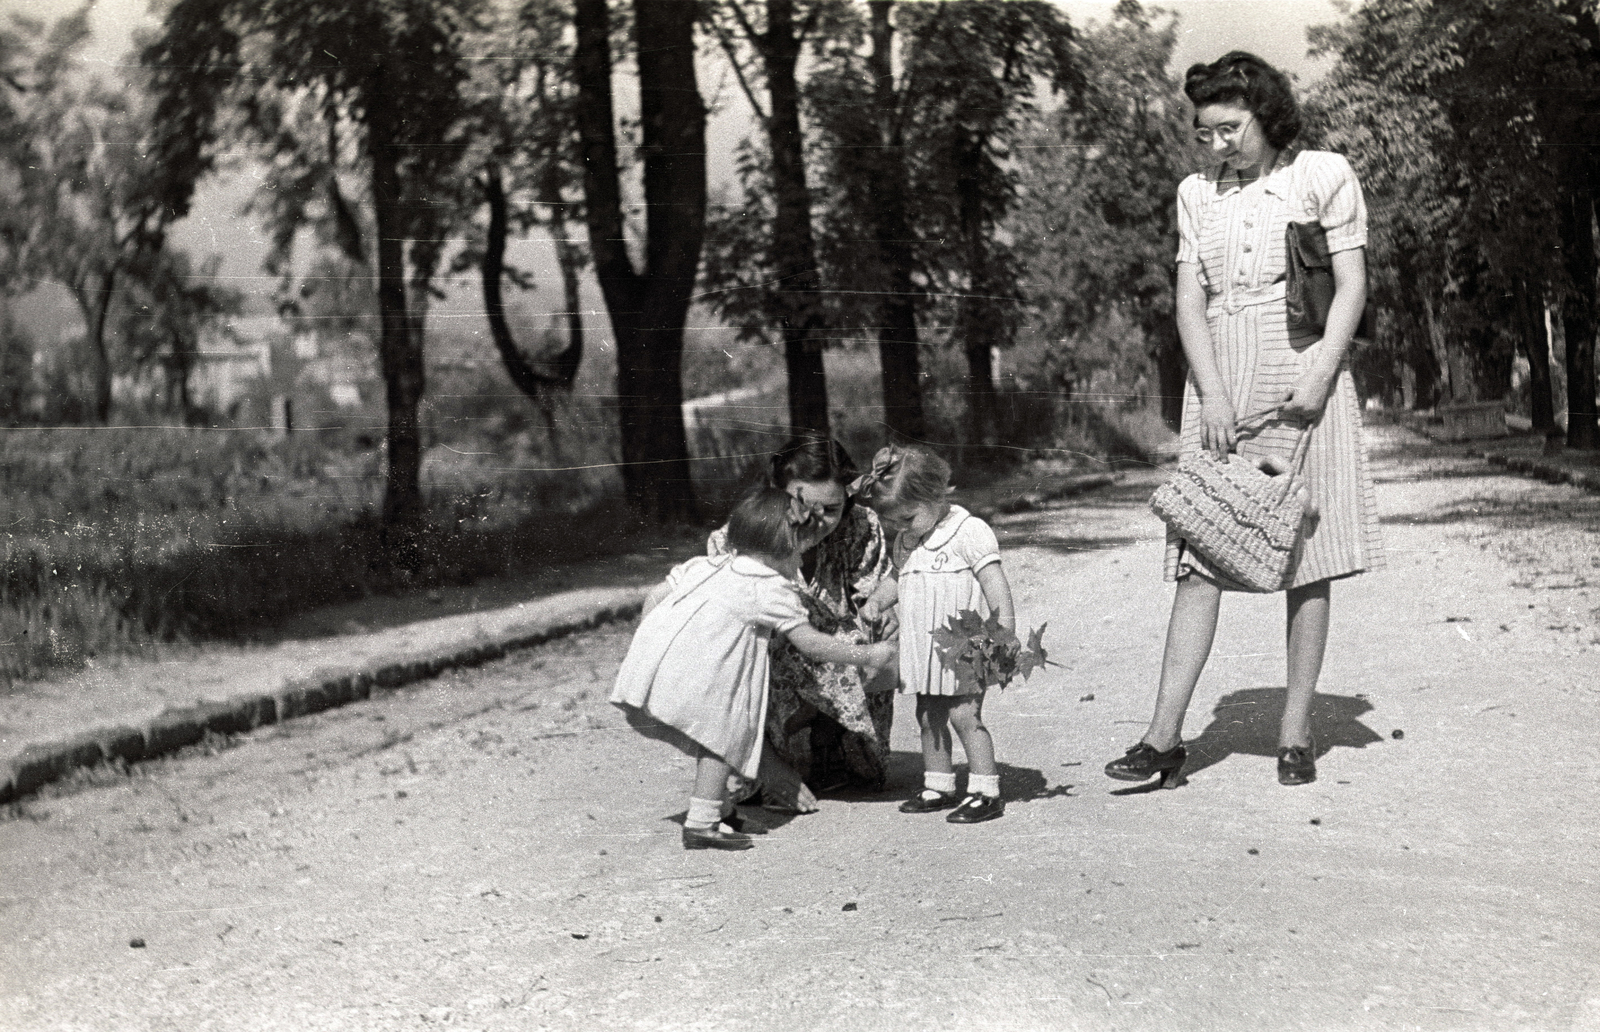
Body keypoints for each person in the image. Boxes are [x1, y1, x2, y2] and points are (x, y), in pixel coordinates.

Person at [1105, 51, 1384, 790]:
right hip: (1222, 373)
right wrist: (1212, 394)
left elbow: (1352, 285)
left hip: (1305, 366)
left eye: (1230, 128)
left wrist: (1322, 370)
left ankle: (1295, 734)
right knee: (1203, 551)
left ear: (1267, 112)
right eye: (1206, 132)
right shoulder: (1196, 194)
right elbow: (1188, 301)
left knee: (1307, 557)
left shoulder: (1324, 174)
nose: (1218, 144)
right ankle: (1164, 738)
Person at [612, 485, 896, 851]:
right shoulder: (769, 587)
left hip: (648, 679)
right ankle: (701, 824)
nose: (799, 566)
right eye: (799, 553)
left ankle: (721, 808)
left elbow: (655, 596)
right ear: (781, 550)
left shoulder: (705, 564)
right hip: (697, 686)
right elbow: (809, 643)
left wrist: (648, 641)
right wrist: (868, 655)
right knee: (721, 739)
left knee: (708, 737)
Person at [708, 436, 895, 806]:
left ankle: (832, 739)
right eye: (804, 506)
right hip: (765, 662)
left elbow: (876, 587)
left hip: (835, 653)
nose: (818, 521)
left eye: (832, 509)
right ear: (777, 493)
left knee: (876, 648)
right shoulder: (738, 538)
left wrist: (880, 608)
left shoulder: (859, 525)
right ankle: (767, 759)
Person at [856, 445, 1016, 825]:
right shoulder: (908, 542)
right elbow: (898, 577)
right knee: (928, 714)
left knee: (965, 715)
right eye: (894, 522)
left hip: (966, 646)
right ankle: (939, 783)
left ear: (935, 495)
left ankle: (984, 790)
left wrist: (1003, 633)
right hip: (925, 651)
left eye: (907, 517)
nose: (901, 528)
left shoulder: (968, 531)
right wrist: (878, 601)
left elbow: (995, 585)